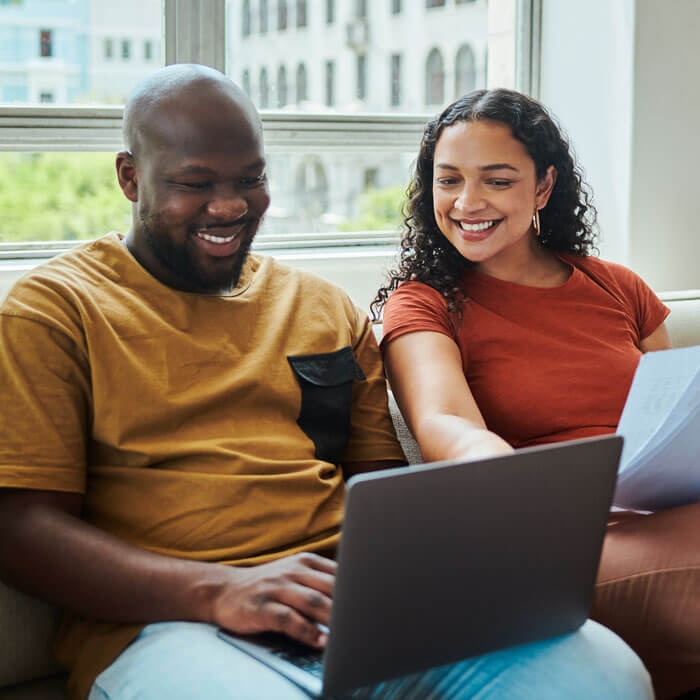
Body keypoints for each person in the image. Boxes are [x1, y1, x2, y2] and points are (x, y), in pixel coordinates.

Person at [0, 66, 652, 700]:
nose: (228, 206)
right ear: (130, 177)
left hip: (357, 610)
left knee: (603, 678)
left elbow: (380, 488)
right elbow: (21, 531)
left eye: (249, 180)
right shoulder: (54, 309)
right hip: (174, 625)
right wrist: (219, 589)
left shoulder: (321, 307)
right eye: (193, 183)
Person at [375, 87, 700, 700]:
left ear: (543, 188)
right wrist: (505, 472)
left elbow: (686, 409)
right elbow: (445, 422)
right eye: (449, 181)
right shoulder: (424, 303)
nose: (467, 203)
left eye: (496, 181)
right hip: (558, 536)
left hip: (667, 515)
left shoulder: (617, 287)